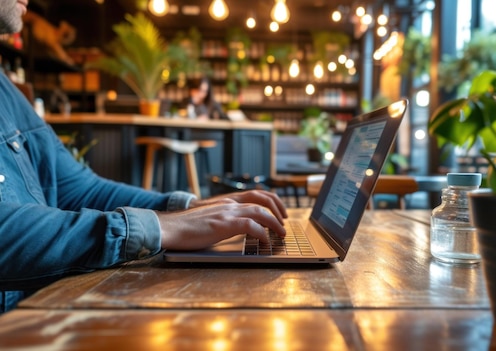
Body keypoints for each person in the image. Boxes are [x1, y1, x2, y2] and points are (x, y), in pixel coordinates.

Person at [0, 0, 288, 313]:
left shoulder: (5, 88)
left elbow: (80, 189)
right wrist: (160, 228)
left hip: (40, 311)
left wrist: (188, 208)